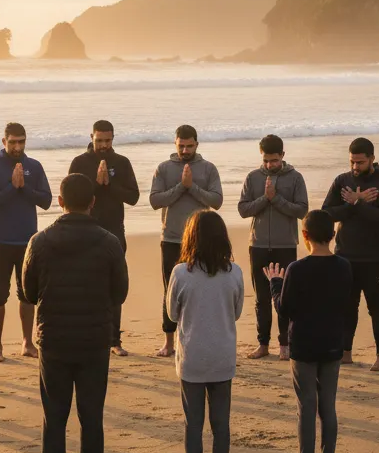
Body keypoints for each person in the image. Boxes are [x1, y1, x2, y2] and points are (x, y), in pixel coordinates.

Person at [22, 173, 128, 453]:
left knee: (54, 417)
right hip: (94, 339)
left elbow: (29, 292)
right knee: (91, 416)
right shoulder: (109, 242)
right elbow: (120, 293)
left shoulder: (39, 241)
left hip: (53, 338)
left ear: (60, 201)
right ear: (92, 203)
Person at [266, 210, 351, 453]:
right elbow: (346, 304)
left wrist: (275, 285)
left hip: (304, 343)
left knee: (306, 407)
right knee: (328, 405)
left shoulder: (297, 269)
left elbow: (285, 309)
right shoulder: (343, 266)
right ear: (332, 235)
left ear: (305, 235)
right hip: (332, 342)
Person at [166, 210, 244, 453]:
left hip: (193, 357)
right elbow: (237, 312)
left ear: (191, 238)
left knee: (194, 424)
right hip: (222, 356)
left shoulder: (180, 273)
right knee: (221, 423)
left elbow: (172, 314)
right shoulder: (234, 272)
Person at [321, 138, 379, 371]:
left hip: (373, 258)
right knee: (347, 307)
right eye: (352, 162)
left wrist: (359, 204)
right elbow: (327, 213)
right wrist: (354, 204)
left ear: (372, 158)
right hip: (344, 256)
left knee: (377, 308)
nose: (355, 166)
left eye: (360, 162)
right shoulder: (342, 181)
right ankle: (346, 353)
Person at [0, 122, 52, 362]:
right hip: (0, 240)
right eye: (13, 142)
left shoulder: (34, 166)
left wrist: (24, 188)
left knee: (27, 294)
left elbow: (46, 201)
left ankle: (27, 343)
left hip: (28, 240)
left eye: (21, 142)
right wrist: (12, 187)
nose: (17, 147)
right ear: (4, 141)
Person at [149, 125, 223, 358]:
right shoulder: (164, 168)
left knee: (202, 288)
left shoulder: (208, 168)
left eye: (189, 146)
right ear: (175, 144)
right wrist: (182, 186)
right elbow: (155, 200)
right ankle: (169, 341)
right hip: (171, 238)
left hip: (201, 240)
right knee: (170, 289)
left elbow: (216, 201)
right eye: (181, 146)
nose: (185, 150)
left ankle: (198, 339)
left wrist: (193, 187)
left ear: (197, 144)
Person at [68, 120, 140, 355]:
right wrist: (96, 184)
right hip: (83, 231)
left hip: (114, 232)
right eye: (99, 140)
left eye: (107, 140)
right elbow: (70, 197)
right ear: (91, 137)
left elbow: (133, 197)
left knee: (113, 286)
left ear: (113, 139)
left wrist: (109, 185)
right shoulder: (79, 163)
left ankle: (114, 340)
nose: (103, 145)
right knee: (82, 284)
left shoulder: (122, 162)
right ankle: (84, 336)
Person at [237, 134, 308, 360]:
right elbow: (243, 209)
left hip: (285, 245)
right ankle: (263, 344)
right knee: (261, 298)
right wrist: (265, 199)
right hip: (258, 245)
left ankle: (285, 345)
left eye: (274, 160)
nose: (269, 165)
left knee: (285, 297)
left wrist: (275, 198)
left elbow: (302, 210)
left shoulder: (295, 178)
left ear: (282, 155)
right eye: (266, 160)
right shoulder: (253, 177)